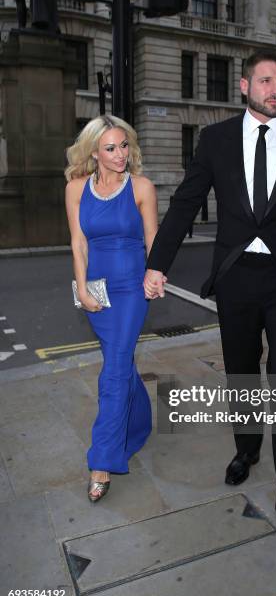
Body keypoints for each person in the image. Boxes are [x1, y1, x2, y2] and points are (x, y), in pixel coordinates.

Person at [144, 49, 276, 543]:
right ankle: (246, 448)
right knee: (243, 371)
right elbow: (184, 204)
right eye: (266, 81)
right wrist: (157, 263)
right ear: (244, 86)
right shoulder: (215, 140)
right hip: (237, 278)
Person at [65, 115, 158, 502]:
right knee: (121, 366)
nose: (120, 154)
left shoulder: (141, 187)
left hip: (132, 289)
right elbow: (78, 243)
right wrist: (83, 288)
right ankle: (139, 425)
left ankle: (102, 459)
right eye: (110, 148)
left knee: (114, 370)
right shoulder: (74, 189)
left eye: (124, 146)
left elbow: (154, 237)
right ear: (94, 153)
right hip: (97, 291)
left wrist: (155, 273)